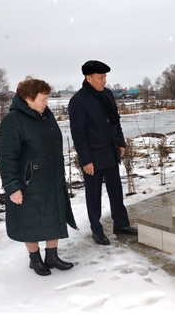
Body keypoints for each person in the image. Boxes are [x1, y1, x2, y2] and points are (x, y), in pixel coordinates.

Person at [0, 76, 77, 276]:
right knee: (30, 222)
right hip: (29, 183)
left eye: (47, 99)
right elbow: (7, 157)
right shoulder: (13, 121)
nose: (46, 103)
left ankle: (52, 256)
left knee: (53, 218)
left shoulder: (46, 116)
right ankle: (35, 260)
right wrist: (12, 186)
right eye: (43, 99)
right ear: (28, 98)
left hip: (52, 178)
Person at [68, 60, 138, 245]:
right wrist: (86, 160)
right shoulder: (78, 102)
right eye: (101, 77)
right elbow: (78, 135)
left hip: (111, 152)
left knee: (116, 192)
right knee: (94, 196)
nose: (104, 81)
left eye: (105, 76)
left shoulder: (107, 94)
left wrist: (120, 142)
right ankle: (96, 230)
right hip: (93, 158)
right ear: (88, 78)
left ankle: (121, 224)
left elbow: (115, 121)